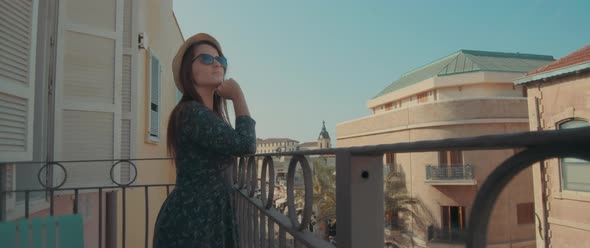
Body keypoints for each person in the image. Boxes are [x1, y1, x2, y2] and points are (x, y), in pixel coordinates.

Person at [152, 33, 256, 247]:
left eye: (221, 60)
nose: (216, 63)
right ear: (188, 72)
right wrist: (238, 96)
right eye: (206, 59)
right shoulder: (192, 112)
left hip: (204, 216)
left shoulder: (203, 115)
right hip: (193, 221)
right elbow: (246, 145)